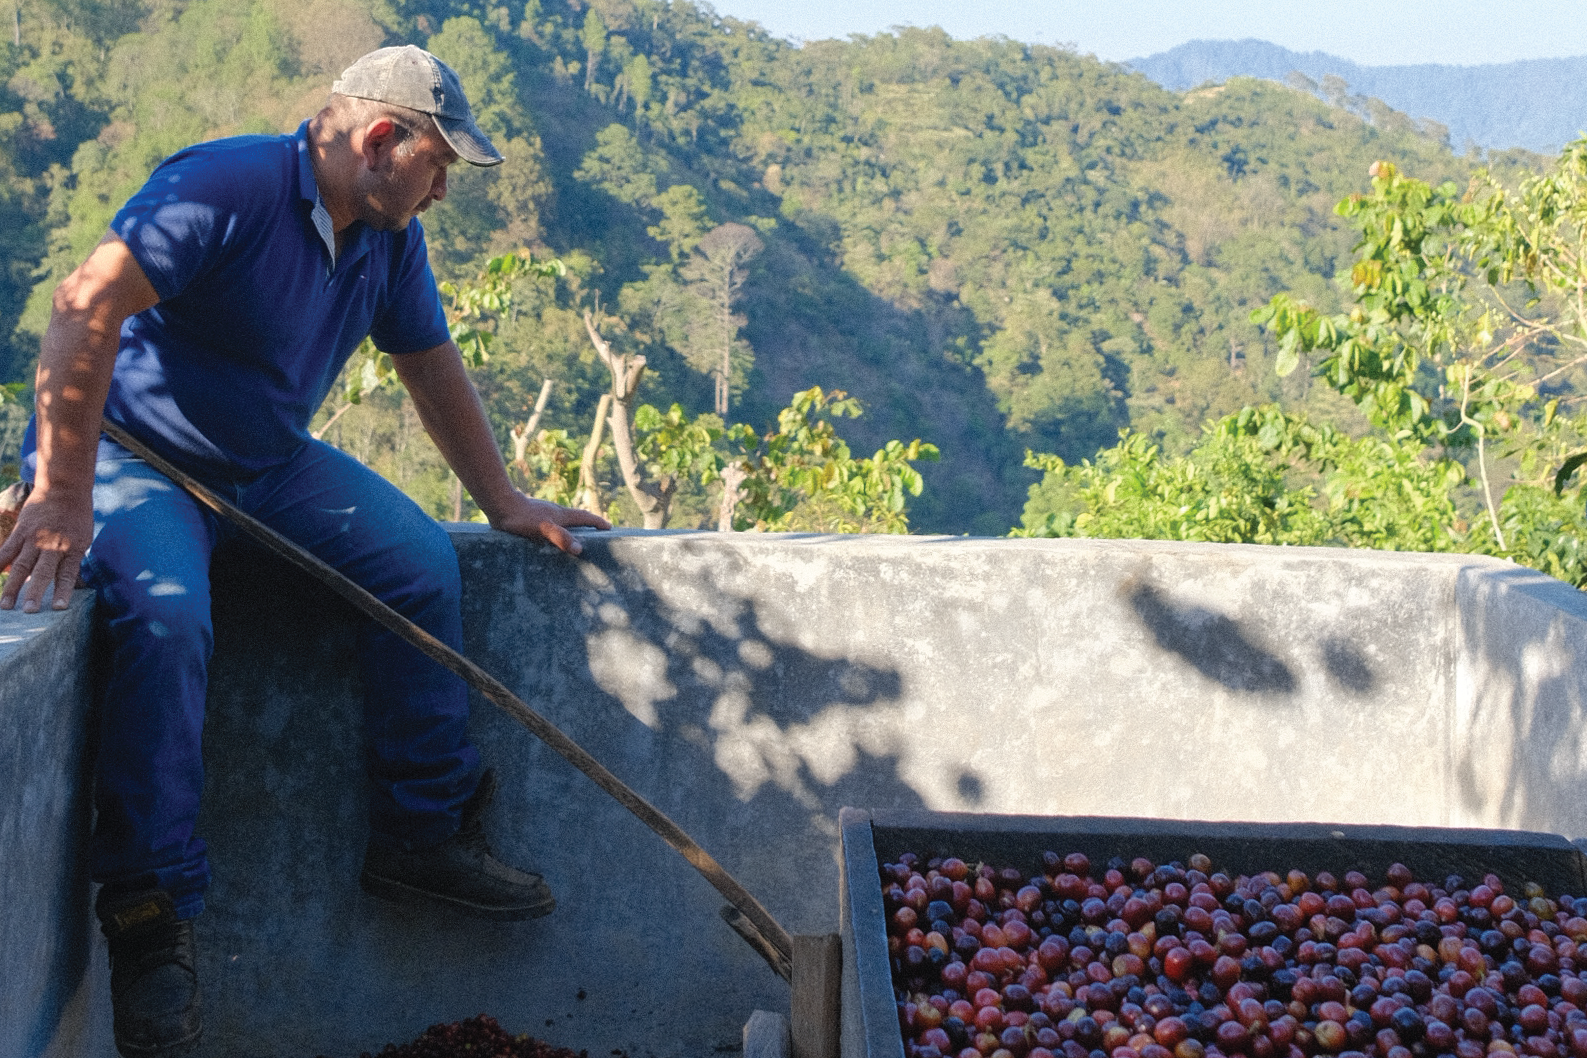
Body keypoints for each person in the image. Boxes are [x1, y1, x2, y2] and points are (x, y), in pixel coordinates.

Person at [0, 45, 610, 1058]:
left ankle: (422, 829)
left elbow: (430, 363)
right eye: (440, 162)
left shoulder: (383, 236)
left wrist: (499, 497)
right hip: (130, 458)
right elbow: (81, 307)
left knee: (420, 560)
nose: (446, 187)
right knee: (164, 616)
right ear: (381, 140)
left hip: (265, 462)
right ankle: (152, 914)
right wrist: (61, 490)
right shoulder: (225, 185)